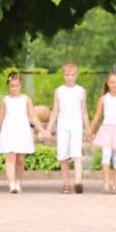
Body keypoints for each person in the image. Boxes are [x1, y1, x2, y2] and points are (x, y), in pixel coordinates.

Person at [0, 72, 45, 193]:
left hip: (22, 131)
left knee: (21, 159)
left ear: (20, 85)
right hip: (9, 131)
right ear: (8, 86)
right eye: (12, 86)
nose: (15, 88)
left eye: (17, 86)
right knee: (10, 157)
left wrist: (42, 130)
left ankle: (18, 181)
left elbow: (32, 116)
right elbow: (0, 118)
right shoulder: (5, 100)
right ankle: (11, 184)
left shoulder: (26, 99)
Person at [46, 61, 90, 194]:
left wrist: (88, 129)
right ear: (63, 75)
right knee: (63, 154)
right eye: (67, 74)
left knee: (77, 153)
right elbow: (55, 111)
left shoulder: (81, 91)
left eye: (72, 74)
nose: (70, 77)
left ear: (76, 75)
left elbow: (84, 111)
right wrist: (48, 129)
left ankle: (78, 181)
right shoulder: (59, 91)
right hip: (63, 125)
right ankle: (66, 184)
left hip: (76, 125)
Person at [89, 71, 116, 194]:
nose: (114, 85)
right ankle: (106, 183)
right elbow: (97, 116)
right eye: (111, 82)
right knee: (106, 155)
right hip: (107, 130)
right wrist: (91, 130)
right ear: (107, 84)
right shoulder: (103, 99)